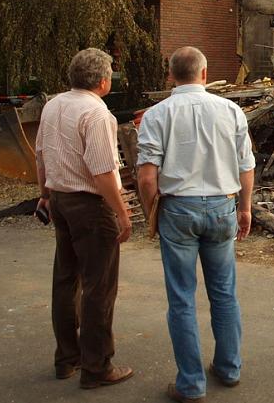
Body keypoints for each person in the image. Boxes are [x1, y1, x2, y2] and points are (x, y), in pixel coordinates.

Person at [137, 46, 255, 403]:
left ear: (171, 75)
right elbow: (246, 166)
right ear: (204, 74)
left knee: (182, 299)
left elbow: (146, 178)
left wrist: (150, 215)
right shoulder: (231, 110)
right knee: (224, 293)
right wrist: (245, 209)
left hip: (178, 210)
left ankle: (191, 384)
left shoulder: (157, 115)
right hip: (222, 207)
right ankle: (229, 368)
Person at [35, 48, 134, 389]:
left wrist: (45, 194)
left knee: (66, 279)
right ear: (104, 81)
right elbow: (104, 172)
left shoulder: (53, 105)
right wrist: (122, 213)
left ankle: (67, 359)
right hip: (90, 206)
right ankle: (97, 366)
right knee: (99, 286)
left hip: (60, 198)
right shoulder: (97, 114)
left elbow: (41, 154)